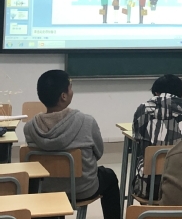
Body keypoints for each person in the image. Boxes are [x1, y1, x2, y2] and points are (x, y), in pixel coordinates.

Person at [24, 70, 120, 219]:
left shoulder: (30, 128)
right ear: (64, 96)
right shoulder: (87, 122)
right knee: (110, 176)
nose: (72, 91)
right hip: (83, 189)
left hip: (45, 190)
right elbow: (98, 153)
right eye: (70, 87)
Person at [132, 74, 182, 199]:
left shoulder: (143, 110)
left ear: (156, 92)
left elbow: (137, 138)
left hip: (149, 189)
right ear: (180, 94)